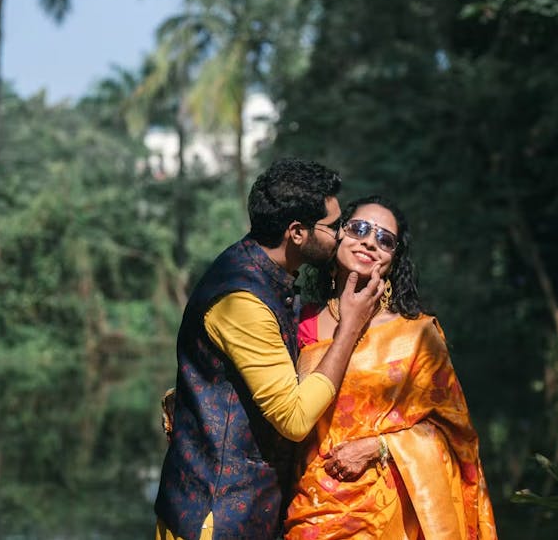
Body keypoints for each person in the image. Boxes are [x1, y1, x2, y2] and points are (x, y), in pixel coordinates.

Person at [154, 159, 386, 540]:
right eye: (333, 226)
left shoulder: (263, 270)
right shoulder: (243, 300)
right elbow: (293, 419)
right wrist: (351, 325)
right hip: (217, 517)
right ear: (297, 233)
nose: (344, 235)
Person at [285, 195, 497, 540]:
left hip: (391, 515)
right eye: (359, 229)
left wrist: (380, 446)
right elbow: (267, 397)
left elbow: (455, 436)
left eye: (385, 239)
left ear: (394, 259)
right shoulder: (299, 322)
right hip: (310, 508)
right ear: (338, 235)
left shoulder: (416, 336)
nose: (370, 241)